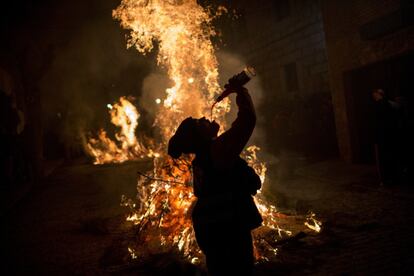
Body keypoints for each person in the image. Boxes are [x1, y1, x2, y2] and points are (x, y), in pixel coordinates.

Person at [168, 86, 262, 275]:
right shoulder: (217, 150)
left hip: (212, 229)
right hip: (227, 229)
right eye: (198, 123)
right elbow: (247, 120)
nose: (204, 118)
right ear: (199, 137)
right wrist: (241, 91)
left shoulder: (202, 158)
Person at [371, 88, 400, 186]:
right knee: (391, 156)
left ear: (378, 94)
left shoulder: (378, 106)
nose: (373, 96)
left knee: (383, 159)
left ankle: (384, 179)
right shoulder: (392, 105)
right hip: (391, 135)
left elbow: (376, 123)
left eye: (374, 94)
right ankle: (394, 177)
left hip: (381, 137)